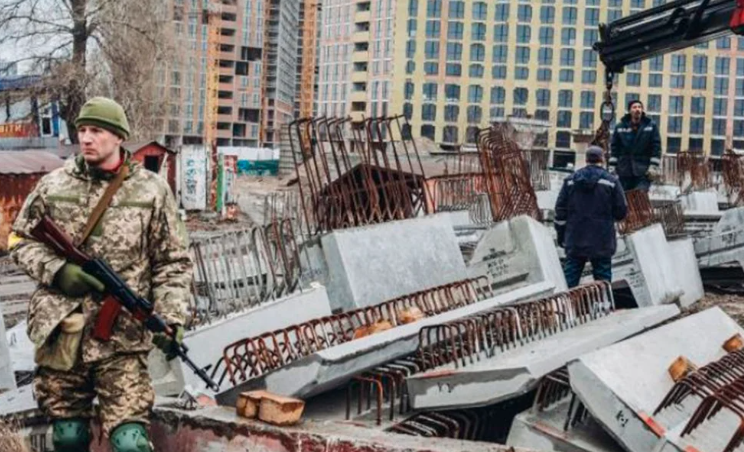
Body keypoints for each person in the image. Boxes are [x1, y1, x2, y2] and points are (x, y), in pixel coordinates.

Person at [9, 97, 192, 452]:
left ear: (119, 137)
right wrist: (59, 271)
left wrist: (170, 318)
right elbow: (18, 239)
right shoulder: (53, 185)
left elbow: (173, 262)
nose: (87, 138)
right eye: (83, 130)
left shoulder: (151, 191)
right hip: (65, 333)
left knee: (130, 442)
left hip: (121, 339)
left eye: (97, 131)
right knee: (68, 436)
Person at [555, 146, 628, 288]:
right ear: (602, 159)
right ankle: (605, 305)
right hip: (602, 239)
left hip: (575, 238)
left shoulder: (570, 181)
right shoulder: (611, 182)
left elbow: (560, 212)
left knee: (569, 279)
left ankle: (564, 307)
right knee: (603, 280)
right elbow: (621, 211)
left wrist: (562, 236)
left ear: (586, 159)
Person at [608, 99, 662, 191]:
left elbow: (656, 147)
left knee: (639, 197)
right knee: (623, 198)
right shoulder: (620, 127)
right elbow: (614, 149)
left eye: (640, 107)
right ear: (629, 110)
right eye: (635, 107)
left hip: (643, 171)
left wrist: (653, 166)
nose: (638, 109)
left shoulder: (651, 126)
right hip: (624, 170)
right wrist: (612, 167)